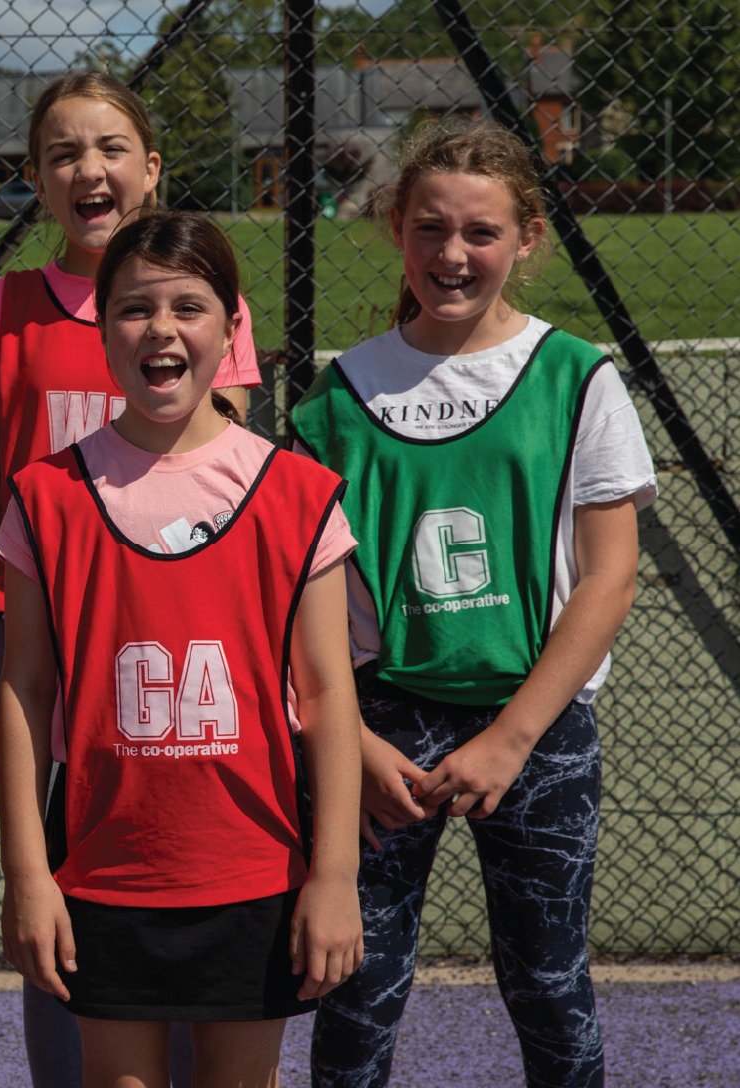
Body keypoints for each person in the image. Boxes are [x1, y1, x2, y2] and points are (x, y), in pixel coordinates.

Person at [295, 119, 653, 1088]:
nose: (451, 254)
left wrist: (511, 738)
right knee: (354, 987)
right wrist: (351, 741)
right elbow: (300, 596)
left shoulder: (576, 377)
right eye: (429, 228)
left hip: (534, 720)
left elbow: (609, 576)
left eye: (480, 232)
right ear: (395, 230)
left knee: (548, 984)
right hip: (383, 722)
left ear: (526, 238)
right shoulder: (338, 395)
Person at [0, 71, 265, 1086]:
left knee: (180, 853)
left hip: (171, 631)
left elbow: (233, 478)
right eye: (63, 153)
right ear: (38, 180)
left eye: (111, 147)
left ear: (151, 168)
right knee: (59, 871)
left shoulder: (198, 302)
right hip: (48, 632)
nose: (89, 168)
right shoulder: (10, 308)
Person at [0, 211, 364, 1087]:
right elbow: (23, 690)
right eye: (135, 309)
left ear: (232, 329)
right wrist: (27, 874)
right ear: (102, 327)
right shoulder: (46, 495)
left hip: (254, 868)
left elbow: (327, 696)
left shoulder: (294, 493)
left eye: (188, 308)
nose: (161, 329)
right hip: (103, 870)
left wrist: (335, 875)